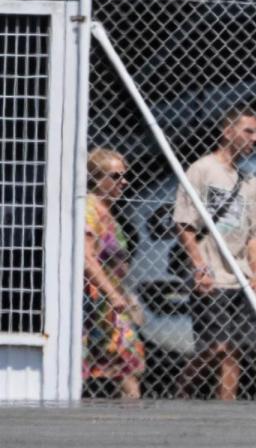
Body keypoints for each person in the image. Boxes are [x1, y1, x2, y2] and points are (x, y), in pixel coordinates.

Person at [174, 106, 256, 401]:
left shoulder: (250, 180)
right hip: (212, 271)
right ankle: (182, 388)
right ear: (227, 132)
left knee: (235, 350)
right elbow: (185, 223)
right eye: (248, 131)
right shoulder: (203, 170)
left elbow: (253, 233)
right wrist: (199, 266)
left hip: (239, 274)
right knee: (216, 346)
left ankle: (227, 407)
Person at [83, 148, 145, 399]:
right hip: (92, 301)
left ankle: (132, 423)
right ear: (96, 179)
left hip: (109, 305)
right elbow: (87, 258)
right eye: (116, 176)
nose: (124, 182)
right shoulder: (90, 209)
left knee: (129, 363)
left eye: (125, 175)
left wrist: (123, 296)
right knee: (96, 364)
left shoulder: (108, 212)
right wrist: (113, 295)